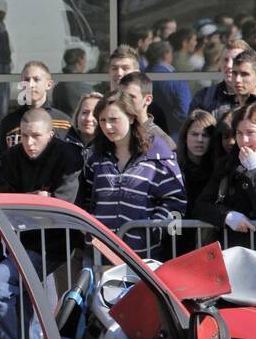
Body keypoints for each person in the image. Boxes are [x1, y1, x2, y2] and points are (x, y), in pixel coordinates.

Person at [0, 109, 82, 339]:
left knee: (42, 314)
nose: (30, 142)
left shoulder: (67, 155)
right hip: (23, 248)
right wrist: (37, 199)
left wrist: (30, 204)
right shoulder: (12, 157)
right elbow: (1, 204)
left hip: (60, 251)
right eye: (25, 136)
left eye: (36, 136)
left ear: (51, 134)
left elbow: (62, 207)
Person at [78, 94, 186, 259]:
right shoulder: (94, 157)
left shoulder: (158, 155)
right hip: (98, 255)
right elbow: (84, 198)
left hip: (141, 260)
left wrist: (152, 230)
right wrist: (89, 228)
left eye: (114, 119)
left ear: (130, 117)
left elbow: (176, 203)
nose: (107, 127)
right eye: (102, 120)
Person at [193, 100, 256, 255]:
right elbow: (201, 205)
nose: (244, 140)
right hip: (234, 250)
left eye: (251, 133)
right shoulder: (227, 162)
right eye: (239, 133)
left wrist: (254, 170)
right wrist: (228, 216)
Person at [0, 61, 71, 149]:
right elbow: (1, 159)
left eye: (36, 79)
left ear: (49, 84)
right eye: (26, 80)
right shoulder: (9, 122)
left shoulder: (64, 122)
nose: (30, 85)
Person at [187, 40, 254, 115]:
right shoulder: (203, 98)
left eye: (236, 60)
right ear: (220, 63)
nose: (229, 65)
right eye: (226, 60)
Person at [143, 41, 191, 137]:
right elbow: (184, 111)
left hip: (146, 133)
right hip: (173, 135)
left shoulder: (142, 76)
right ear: (166, 55)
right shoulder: (175, 78)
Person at [118, 72, 176, 149]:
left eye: (131, 97)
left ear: (148, 100)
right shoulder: (113, 131)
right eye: (121, 96)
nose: (124, 101)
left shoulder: (160, 139)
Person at [178, 109, 217, 218]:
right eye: (194, 134)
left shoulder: (218, 170)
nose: (199, 140)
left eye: (205, 135)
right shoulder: (174, 169)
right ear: (185, 137)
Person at [52, 48, 95, 114]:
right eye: (85, 60)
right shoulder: (84, 88)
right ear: (80, 60)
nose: (85, 64)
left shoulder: (57, 87)